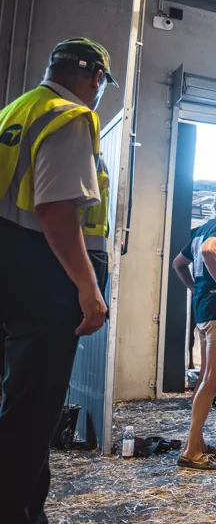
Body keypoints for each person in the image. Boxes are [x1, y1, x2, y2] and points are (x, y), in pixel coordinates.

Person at [0, 38, 116, 524]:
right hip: (44, 274)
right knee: (33, 409)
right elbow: (55, 212)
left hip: (14, 264)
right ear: (94, 77)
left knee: (19, 397)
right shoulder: (71, 116)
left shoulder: (17, 111)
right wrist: (89, 290)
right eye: (102, 84)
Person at [171, 185, 216, 471]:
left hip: (203, 311)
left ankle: (198, 443)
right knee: (214, 378)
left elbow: (179, 264)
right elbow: (208, 251)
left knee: (204, 378)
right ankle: (191, 451)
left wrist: (196, 289)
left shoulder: (199, 229)